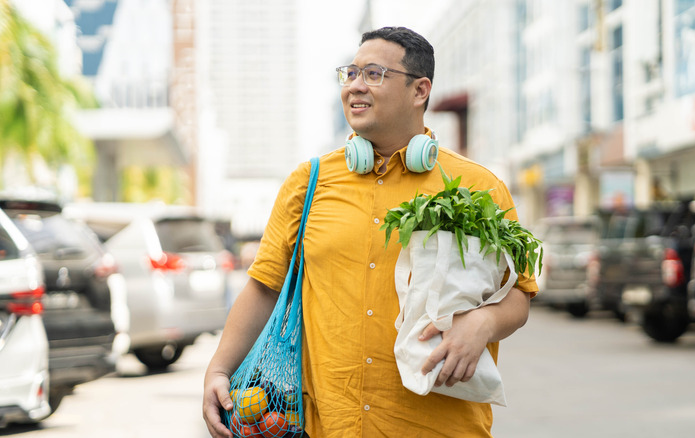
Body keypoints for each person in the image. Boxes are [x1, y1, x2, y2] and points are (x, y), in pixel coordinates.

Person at [203, 26, 538, 438]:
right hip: (332, 426)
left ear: (420, 91)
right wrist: (219, 368)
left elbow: (518, 294)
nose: (355, 87)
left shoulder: (479, 186)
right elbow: (264, 286)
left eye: (374, 74)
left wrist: (483, 324)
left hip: (441, 427)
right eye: (350, 74)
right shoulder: (309, 183)